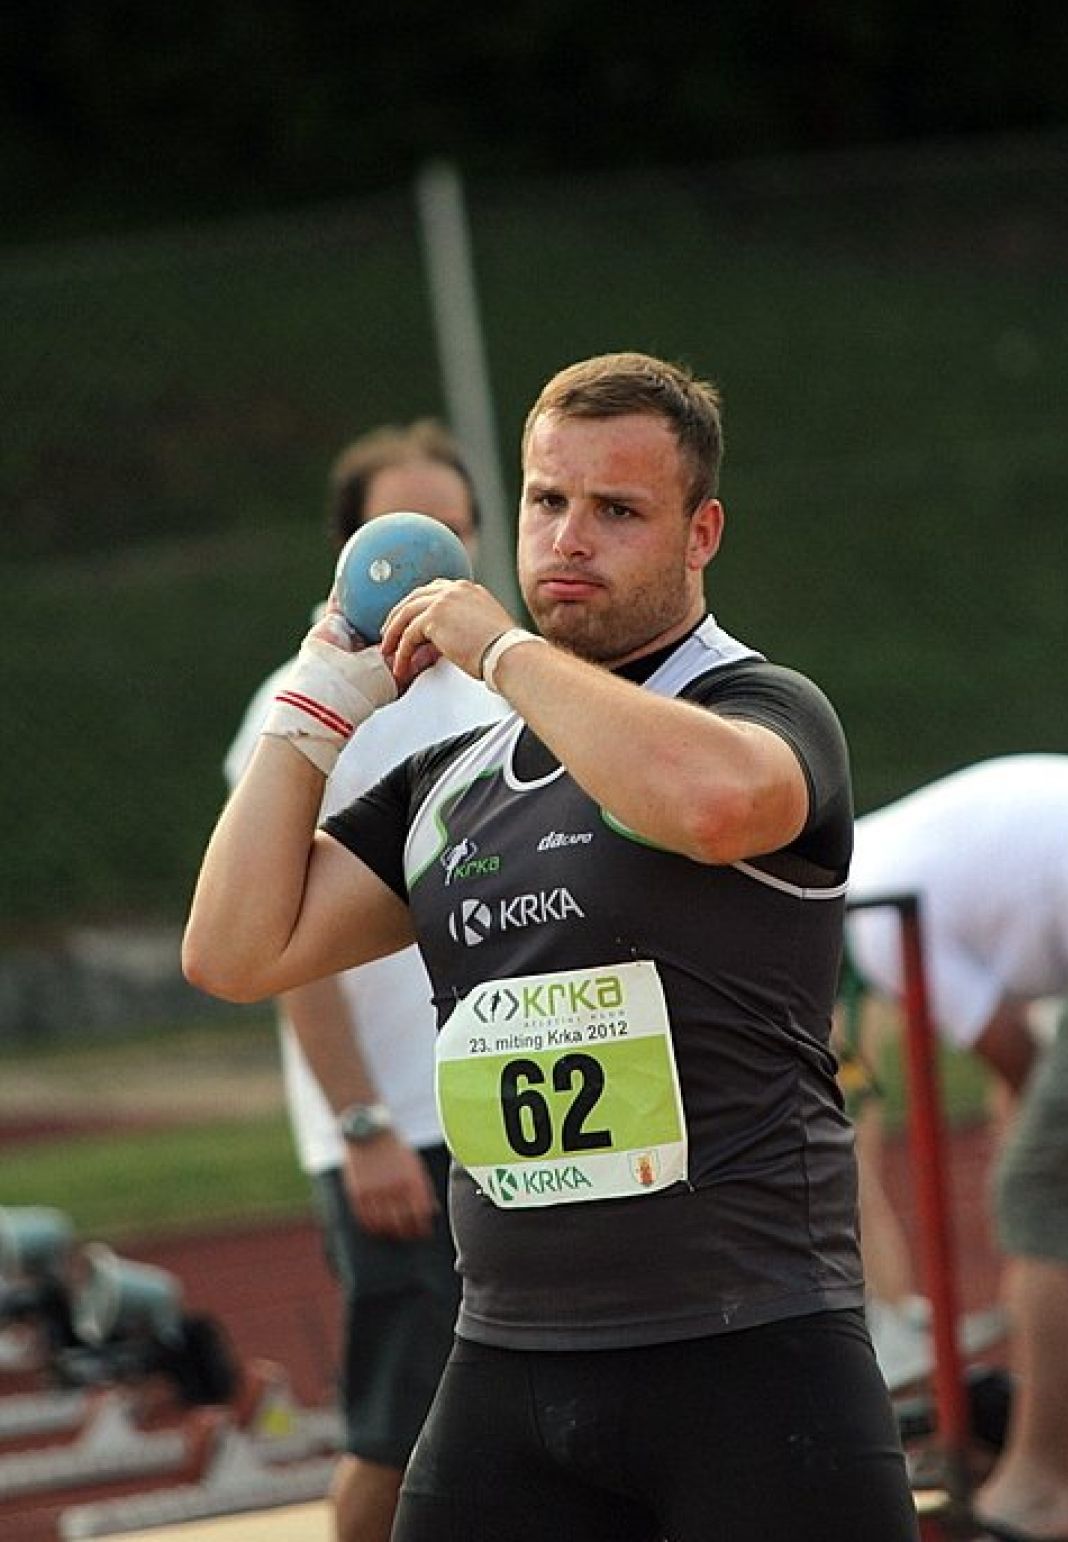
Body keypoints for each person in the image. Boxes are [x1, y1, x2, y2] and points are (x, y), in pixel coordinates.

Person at [184, 351, 919, 1542]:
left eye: (617, 510)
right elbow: (232, 950)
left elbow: (711, 808)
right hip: (510, 1367)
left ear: (701, 533)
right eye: (546, 500)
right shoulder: (450, 783)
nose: (569, 538)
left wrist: (501, 653)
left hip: (751, 1354)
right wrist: (316, 701)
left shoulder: (762, 712)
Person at [224, 419, 509, 1542]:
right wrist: (362, 1125)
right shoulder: (305, 704)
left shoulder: (501, 685)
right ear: (352, 548)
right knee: (402, 1433)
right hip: (396, 1132)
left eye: (455, 526)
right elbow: (275, 938)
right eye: (404, 530)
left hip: (503, 1107)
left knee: (515, 1416)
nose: (432, 554)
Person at [844, 753, 1068, 1541]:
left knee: (1046, 1195)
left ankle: (1038, 1488)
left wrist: (1049, 1182)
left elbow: (1011, 1050)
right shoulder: (883, 849)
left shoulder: (871, 914)